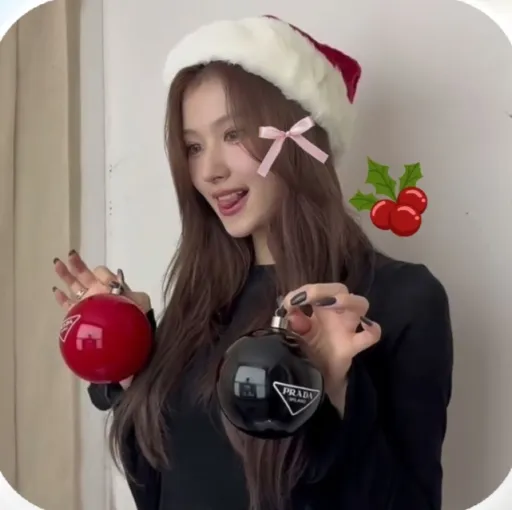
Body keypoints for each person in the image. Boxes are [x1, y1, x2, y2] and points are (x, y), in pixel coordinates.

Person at [52, 15, 453, 510]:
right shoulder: (197, 307)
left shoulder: (399, 300)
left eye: (233, 134)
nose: (209, 171)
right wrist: (132, 360)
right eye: (193, 146)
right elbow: (159, 492)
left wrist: (333, 395)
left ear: (300, 138)